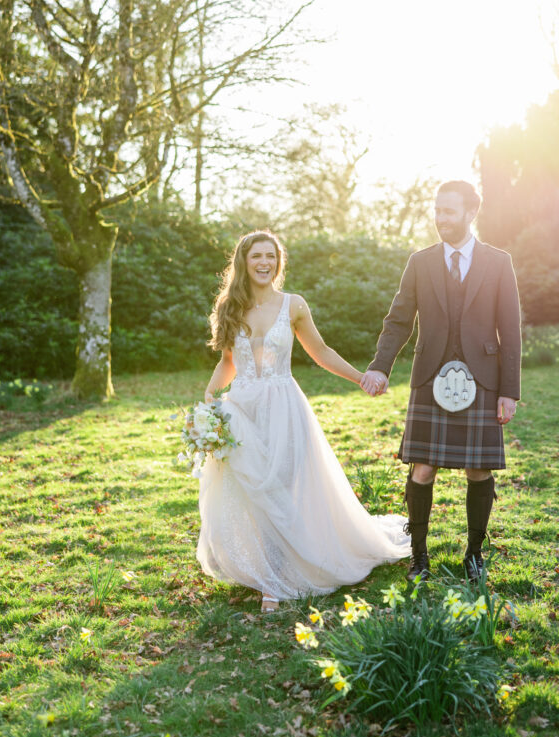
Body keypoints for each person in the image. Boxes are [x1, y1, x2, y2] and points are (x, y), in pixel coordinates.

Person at [197, 229, 410, 612]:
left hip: (283, 407)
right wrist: (209, 399)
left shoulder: (293, 305)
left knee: (280, 486)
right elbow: (228, 361)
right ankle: (266, 572)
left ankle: (274, 582)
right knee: (253, 490)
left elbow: (321, 351)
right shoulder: (230, 306)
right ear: (244, 262)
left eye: (271, 256)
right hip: (242, 410)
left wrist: (360, 377)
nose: (265, 263)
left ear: (278, 262)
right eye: (257, 256)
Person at [361, 180, 521, 583]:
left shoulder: (498, 262)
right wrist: (380, 366)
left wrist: (509, 391)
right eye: (437, 210)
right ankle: (419, 556)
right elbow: (398, 321)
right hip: (430, 376)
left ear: (471, 212)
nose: (440, 218)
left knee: (479, 470)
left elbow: (510, 331)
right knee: (422, 469)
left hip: (482, 380)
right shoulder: (420, 262)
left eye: (448, 211)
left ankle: (474, 555)